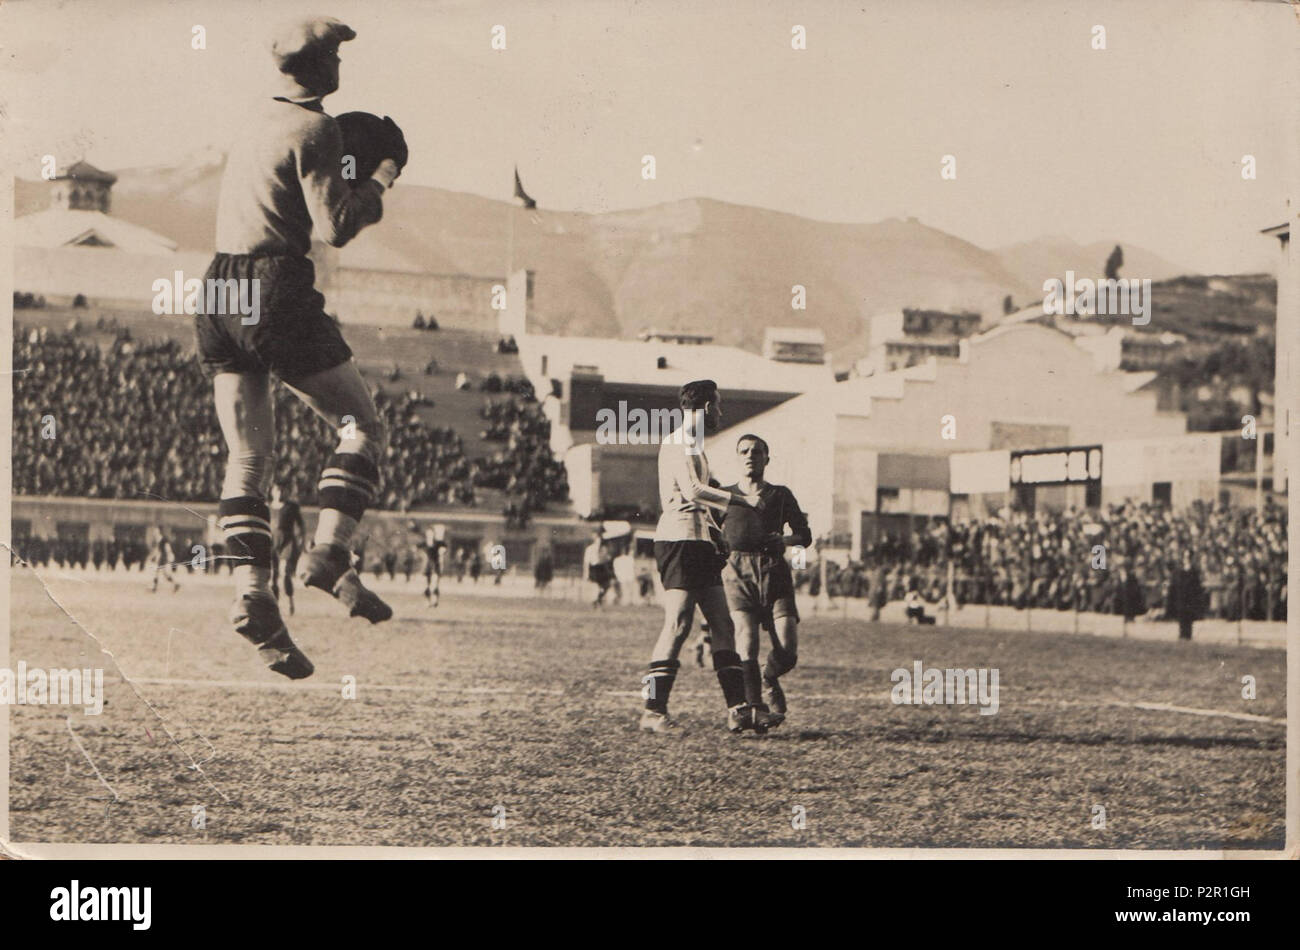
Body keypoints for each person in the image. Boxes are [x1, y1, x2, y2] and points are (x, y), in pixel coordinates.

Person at [194, 17, 403, 679]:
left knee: (248, 455)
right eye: (338, 52)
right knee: (361, 425)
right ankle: (328, 556)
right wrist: (382, 179)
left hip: (219, 286)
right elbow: (333, 228)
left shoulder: (256, 119)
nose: (343, 60)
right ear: (326, 67)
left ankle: (252, 595)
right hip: (274, 283)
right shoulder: (319, 128)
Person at [640, 380, 777, 735]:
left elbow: (698, 500)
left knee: (723, 624)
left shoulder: (694, 446)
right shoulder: (678, 443)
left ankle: (737, 709)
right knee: (678, 624)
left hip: (698, 541)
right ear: (701, 408)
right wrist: (742, 500)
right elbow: (693, 492)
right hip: (678, 540)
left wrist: (716, 535)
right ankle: (653, 710)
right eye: (716, 406)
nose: (719, 412)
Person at [718, 434, 811, 724]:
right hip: (737, 571)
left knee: (788, 650)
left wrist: (784, 539)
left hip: (774, 572)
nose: (750, 455)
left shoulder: (780, 494)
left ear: (766, 459)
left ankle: (770, 676)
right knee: (747, 642)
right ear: (737, 458)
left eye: (756, 451)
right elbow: (710, 533)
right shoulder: (723, 496)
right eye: (744, 451)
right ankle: (756, 709)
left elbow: (805, 536)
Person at [269, 485, 305, 615]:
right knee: (273, 575)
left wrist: (301, 540)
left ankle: (290, 602)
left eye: (282, 490)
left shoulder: (292, 507)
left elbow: (300, 525)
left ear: (286, 492)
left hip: (287, 541)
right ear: (272, 492)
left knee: (285, 572)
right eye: (277, 490)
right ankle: (275, 606)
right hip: (272, 542)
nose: (279, 493)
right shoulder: (268, 507)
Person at [1167, 549, 1206, 641]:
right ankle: (1181, 635)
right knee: (1181, 617)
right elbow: (1174, 583)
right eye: (1185, 557)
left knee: (1189, 618)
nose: (1186, 559)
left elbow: (1197, 586)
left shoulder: (1194, 571)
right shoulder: (1178, 570)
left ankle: (1188, 635)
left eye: (1188, 557)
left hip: (1190, 598)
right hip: (1181, 597)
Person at [413, 521, 447, 608]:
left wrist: (442, 551)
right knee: (428, 584)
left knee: (435, 584)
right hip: (428, 566)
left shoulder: (439, 543)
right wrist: (418, 553)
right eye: (428, 534)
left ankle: (435, 600)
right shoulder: (425, 543)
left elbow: (444, 547)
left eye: (431, 533)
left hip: (436, 565)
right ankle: (429, 601)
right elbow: (416, 548)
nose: (429, 535)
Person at [584, 530, 614, 607]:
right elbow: (586, 562)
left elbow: (607, 559)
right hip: (594, 568)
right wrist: (586, 573)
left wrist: (607, 557)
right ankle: (596, 601)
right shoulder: (589, 549)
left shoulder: (604, 549)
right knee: (596, 586)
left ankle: (597, 600)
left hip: (602, 567)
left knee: (606, 585)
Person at [148, 525, 181, 594]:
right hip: (161, 557)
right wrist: (153, 556)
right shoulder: (157, 539)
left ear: (159, 531)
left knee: (158, 572)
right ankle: (175, 584)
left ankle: (155, 588)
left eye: (155, 531)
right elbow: (157, 549)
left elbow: (167, 547)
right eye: (154, 531)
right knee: (164, 573)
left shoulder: (163, 539)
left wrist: (169, 555)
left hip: (163, 557)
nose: (154, 532)